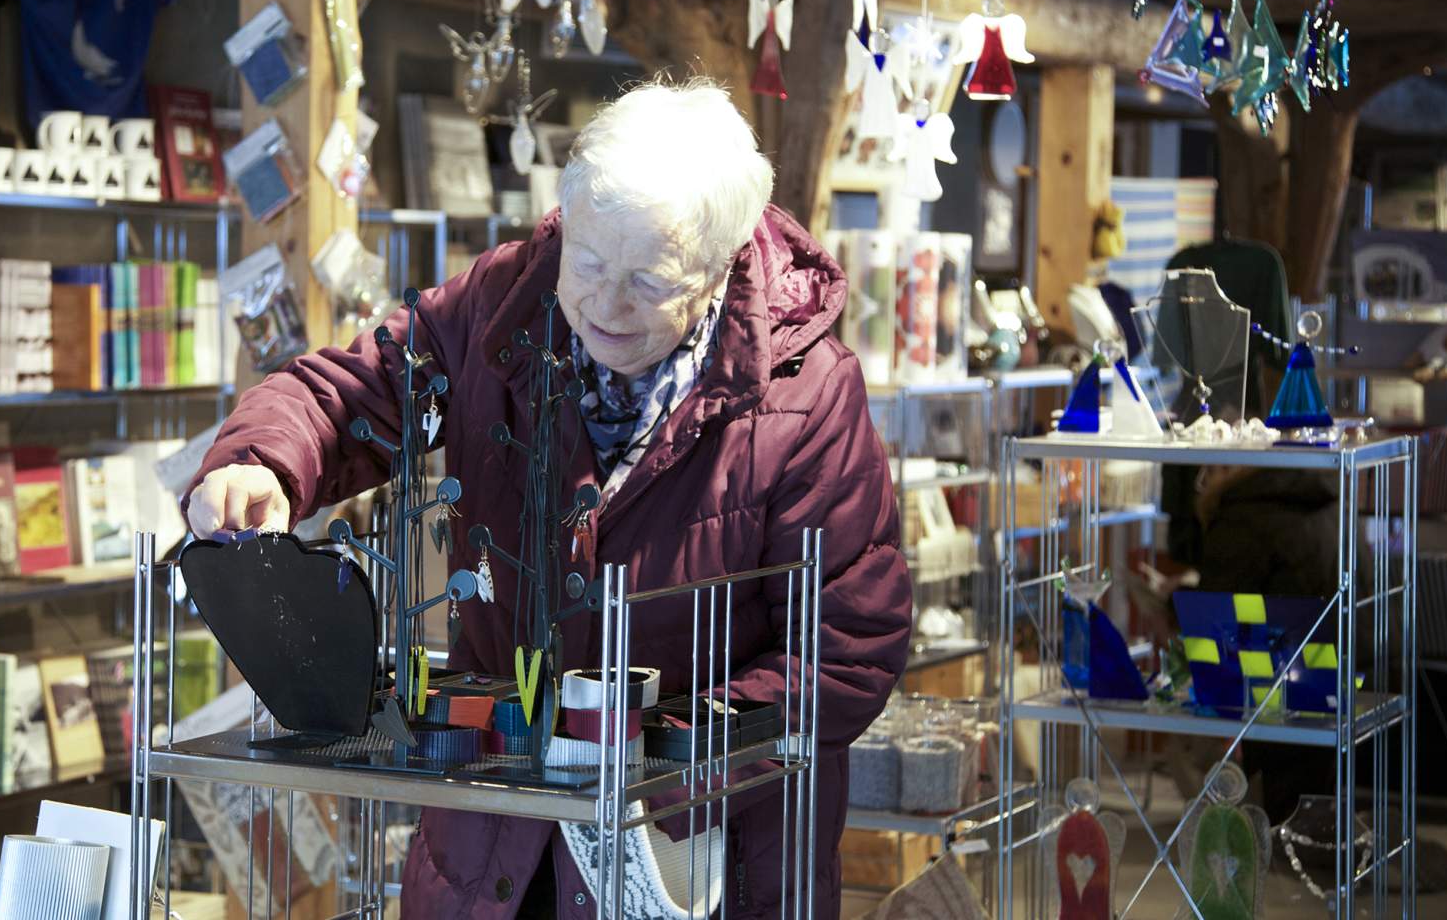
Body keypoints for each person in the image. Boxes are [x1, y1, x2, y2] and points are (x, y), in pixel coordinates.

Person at [187, 79, 912, 918]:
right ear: (566, 223)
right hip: (493, 854)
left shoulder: (807, 395)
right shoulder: (501, 303)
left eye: (648, 280)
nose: (604, 305)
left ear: (719, 266)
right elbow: (346, 393)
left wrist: (650, 759)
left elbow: (848, 650)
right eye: (592, 262)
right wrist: (261, 465)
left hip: (695, 864)